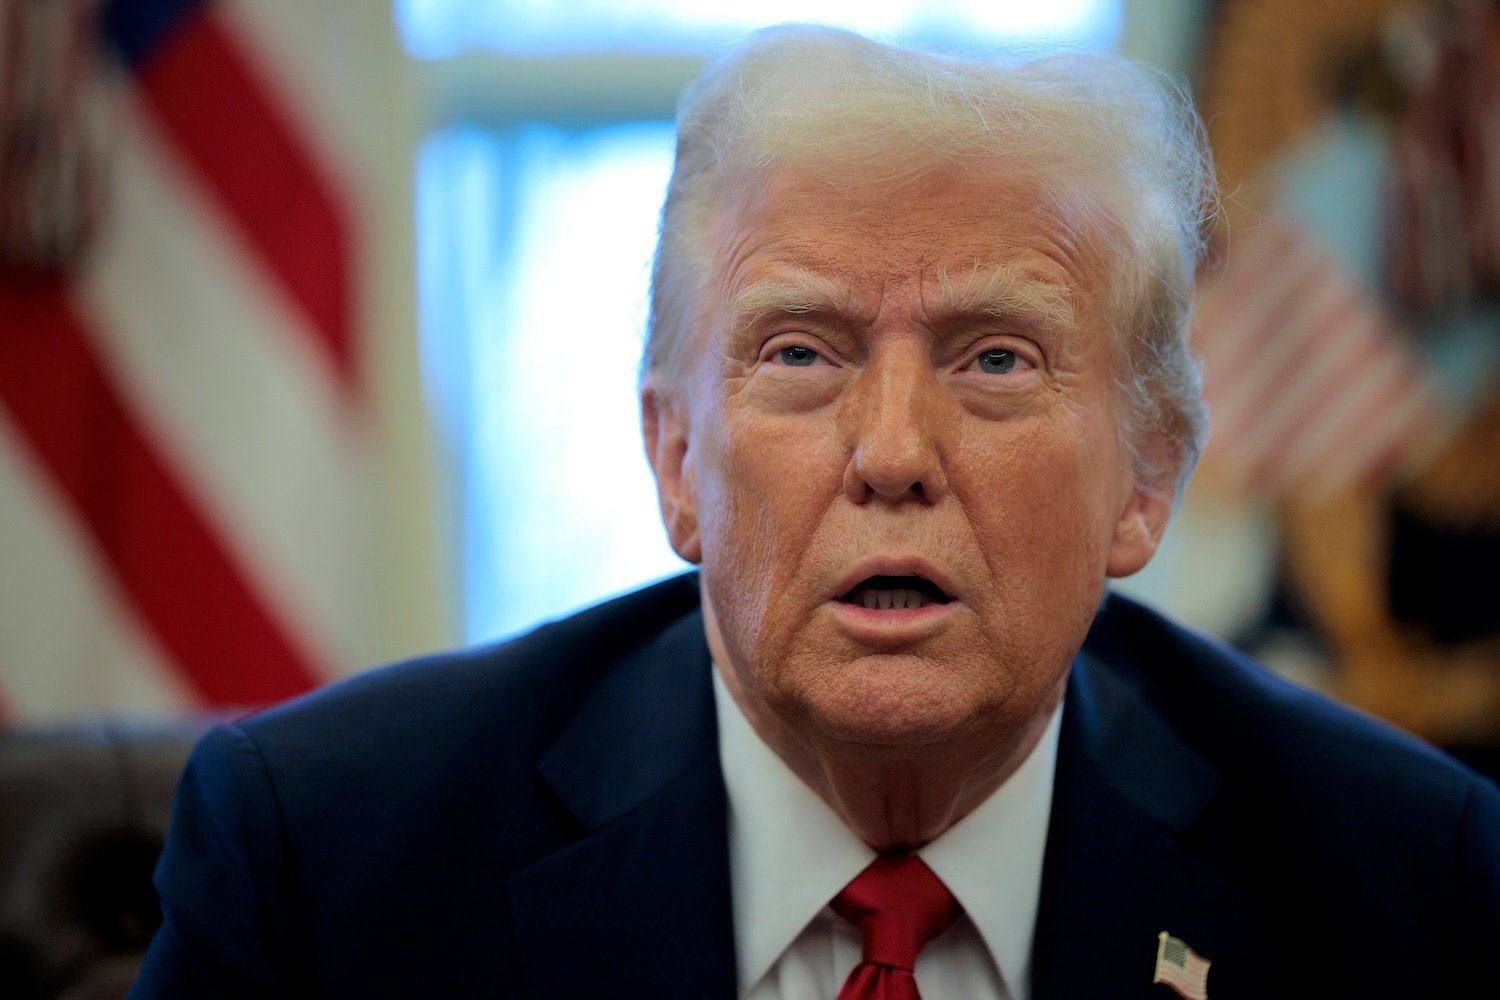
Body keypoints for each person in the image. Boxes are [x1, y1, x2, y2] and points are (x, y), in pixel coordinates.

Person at [128, 24, 1499, 1000]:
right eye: (801, 353)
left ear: (1144, 477)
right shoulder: (326, 867)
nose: (893, 452)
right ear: (676, 461)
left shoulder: (1404, 887)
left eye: (995, 359)